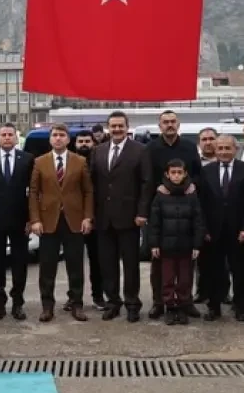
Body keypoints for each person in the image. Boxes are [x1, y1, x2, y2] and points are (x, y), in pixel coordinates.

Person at [28, 124, 93, 323]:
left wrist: (87, 217)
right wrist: (35, 219)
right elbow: (33, 192)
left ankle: (77, 304)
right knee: (47, 268)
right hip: (48, 222)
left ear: (68, 139)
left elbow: (88, 191)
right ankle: (47, 306)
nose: (58, 138)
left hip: (74, 221)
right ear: (50, 139)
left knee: (75, 266)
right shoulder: (39, 162)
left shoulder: (80, 161)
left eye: (61, 135)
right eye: (54, 135)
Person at [90, 111, 151, 322]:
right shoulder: (97, 151)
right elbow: (92, 185)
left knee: (131, 265)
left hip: (130, 218)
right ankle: (113, 302)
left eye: (120, 126)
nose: (117, 130)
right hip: (103, 218)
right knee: (108, 264)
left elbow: (146, 183)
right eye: (113, 126)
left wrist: (143, 212)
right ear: (108, 127)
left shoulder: (140, 150)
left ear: (127, 127)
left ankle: (132, 303)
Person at [145, 111, 203, 318]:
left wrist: (191, 185)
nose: (169, 125)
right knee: (160, 266)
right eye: (165, 122)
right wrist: (158, 189)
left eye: (172, 122)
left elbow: (197, 171)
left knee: (186, 267)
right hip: (161, 208)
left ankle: (186, 302)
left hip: (186, 207)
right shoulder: (151, 148)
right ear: (159, 126)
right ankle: (159, 302)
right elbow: (146, 176)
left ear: (178, 125)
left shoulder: (188, 146)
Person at [0, 123, 34, 321]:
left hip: (20, 222)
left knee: (20, 264)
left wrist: (31, 219)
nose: (7, 138)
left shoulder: (27, 160)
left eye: (11, 134)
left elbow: (33, 193)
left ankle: (18, 303)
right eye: (4, 134)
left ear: (16, 138)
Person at [198, 135, 244, 321]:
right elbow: (201, 203)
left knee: (240, 270)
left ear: (235, 149)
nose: (223, 152)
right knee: (213, 270)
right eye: (220, 148)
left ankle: (240, 307)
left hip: (239, 231)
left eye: (227, 148)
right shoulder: (205, 171)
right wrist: (204, 229)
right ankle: (213, 306)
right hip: (213, 232)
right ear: (215, 150)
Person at [148, 160, 205, 326]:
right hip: (166, 247)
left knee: (185, 279)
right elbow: (154, 222)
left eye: (179, 172)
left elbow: (198, 221)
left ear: (185, 173)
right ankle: (170, 307)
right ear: (167, 174)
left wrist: (196, 244)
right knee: (167, 278)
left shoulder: (192, 194)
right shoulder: (160, 194)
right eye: (173, 172)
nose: (176, 176)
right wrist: (154, 244)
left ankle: (183, 305)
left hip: (186, 246)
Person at [73, 131, 104, 309]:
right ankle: (74, 297)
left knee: (97, 261)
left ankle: (98, 296)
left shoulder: (99, 162)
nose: (84, 144)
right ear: (75, 143)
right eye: (80, 141)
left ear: (94, 143)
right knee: (74, 261)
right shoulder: (68, 160)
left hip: (96, 218)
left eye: (87, 141)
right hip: (73, 218)